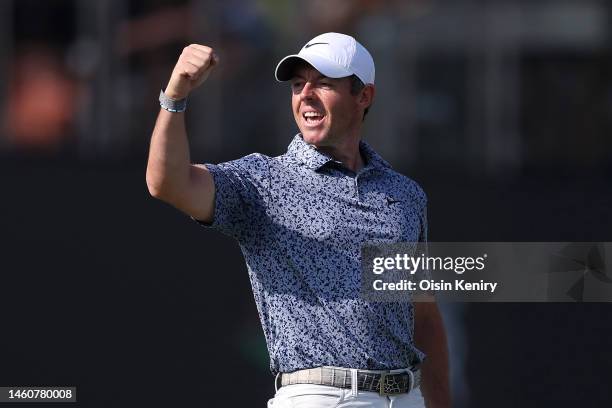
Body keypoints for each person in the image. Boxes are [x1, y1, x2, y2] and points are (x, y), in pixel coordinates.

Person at [146, 32, 450, 408]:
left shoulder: (405, 195)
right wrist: (174, 97)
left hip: (406, 397)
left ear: (364, 96)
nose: (306, 94)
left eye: (323, 83)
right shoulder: (263, 182)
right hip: (319, 397)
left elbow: (423, 313)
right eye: (297, 84)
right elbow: (167, 183)